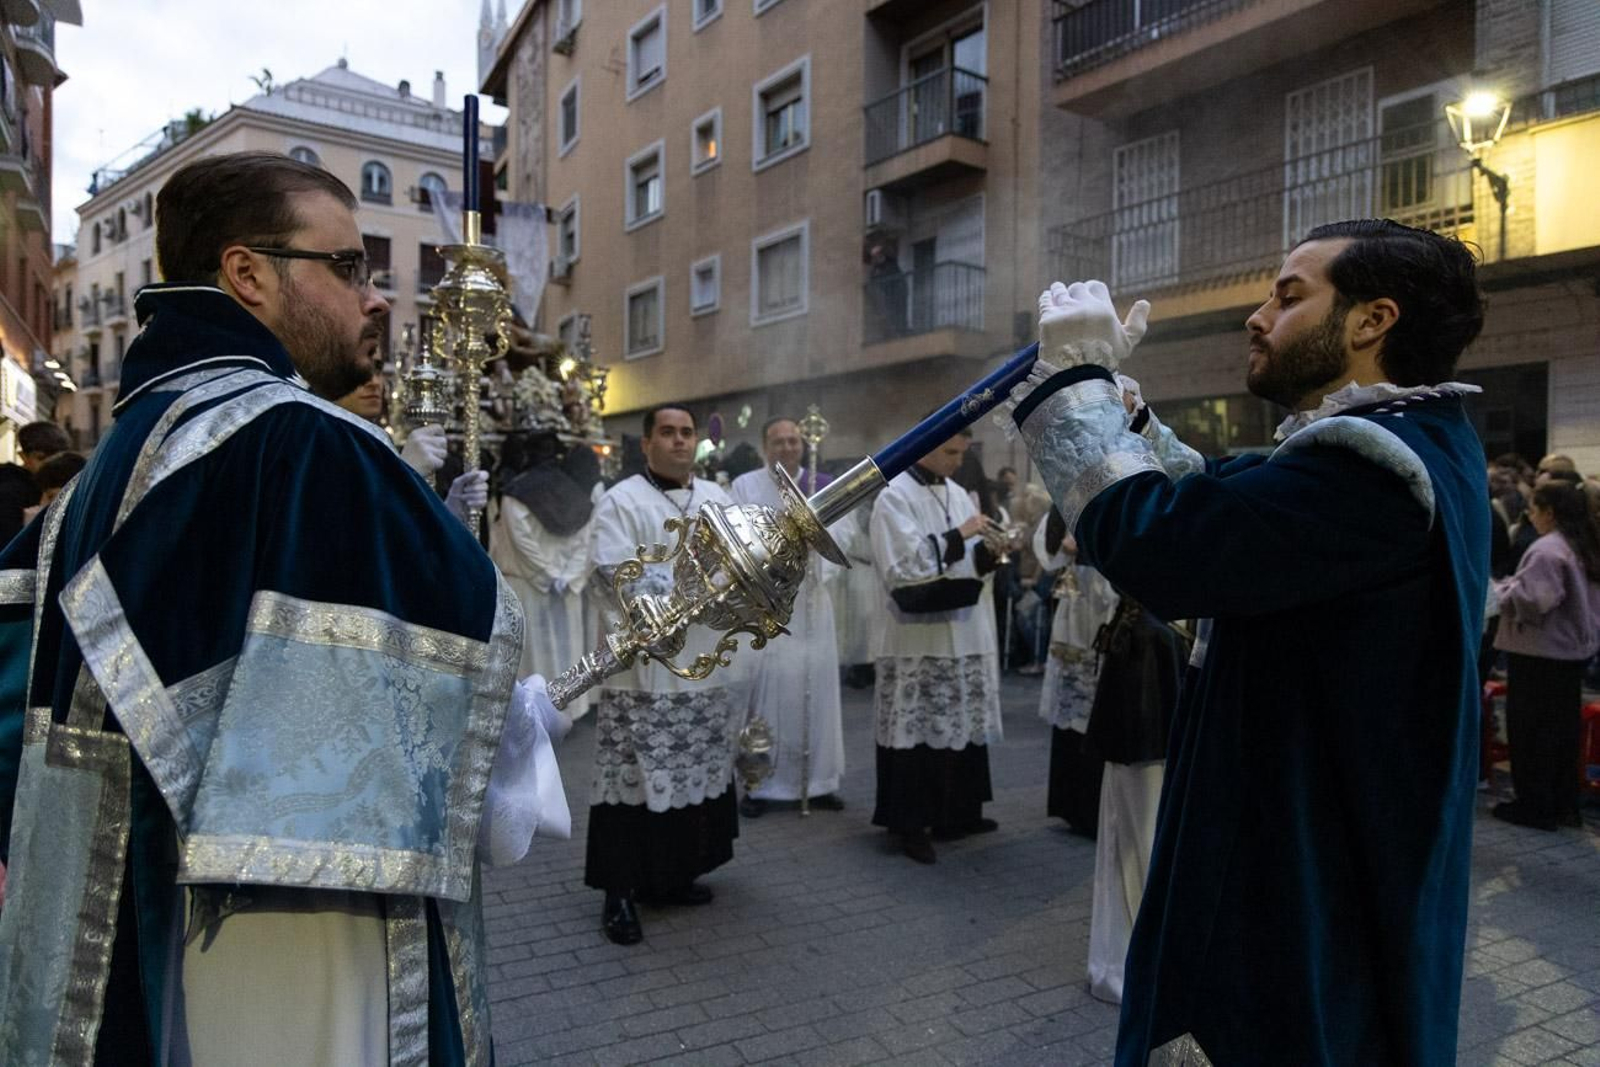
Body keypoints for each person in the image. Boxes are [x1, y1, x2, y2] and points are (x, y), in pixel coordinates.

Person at [0, 152, 570, 1065]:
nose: (375, 296)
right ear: (247, 274)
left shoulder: (112, 461)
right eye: (348, 266)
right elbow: (446, 731)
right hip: (299, 948)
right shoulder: (306, 445)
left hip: (132, 922)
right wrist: (521, 725)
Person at [1007, 219, 1490, 1065]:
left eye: (1289, 294)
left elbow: (1174, 550)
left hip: (1297, 863)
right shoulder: (1416, 444)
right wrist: (1126, 413)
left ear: (1374, 320)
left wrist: (1080, 388)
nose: (1258, 314)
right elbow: (1235, 515)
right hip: (1327, 827)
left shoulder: (1374, 467)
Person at [584, 404, 741, 946]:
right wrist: (693, 588)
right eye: (667, 433)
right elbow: (617, 575)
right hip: (645, 667)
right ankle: (621, 894)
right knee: (633, 779)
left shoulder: (720, 500)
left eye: (687, 433)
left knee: (692, 768)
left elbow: (741, 563)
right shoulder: (620, 502)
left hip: (704, 660)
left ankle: (673, 876)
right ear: (646, 443)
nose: (679, 441)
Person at [869, 426, 1003, 865]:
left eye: (963, 453)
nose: (958, 461)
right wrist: (962, 535)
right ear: (925, 448)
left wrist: (995, 550)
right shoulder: (894, 495)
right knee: (918, 732)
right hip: (916, 636)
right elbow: (904, 566)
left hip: (962, 628)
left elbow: (974, 556)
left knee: (958, 723)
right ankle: (912, 824)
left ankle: (957, 813)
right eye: (950, 452)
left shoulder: (959, 492)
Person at [730, 416, 845, 816]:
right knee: (767, 691)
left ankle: (820, 781)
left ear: (804, 445)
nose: (787, 447)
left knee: (819, 692)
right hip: (768, 605)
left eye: (793, 441)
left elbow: (841, 538)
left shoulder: (821, 482)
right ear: (765, 446)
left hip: (813, 602)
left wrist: (818, 551)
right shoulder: (745, 485)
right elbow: (739, 535)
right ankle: (759, 782)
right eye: (778, 441)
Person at [1491, 480, 1600, 830]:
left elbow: (1533, 600)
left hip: (1540, 652)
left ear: (1549, 513)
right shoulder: (1582, 544)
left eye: (1534, 510)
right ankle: (1562, 804)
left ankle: (1535, 806)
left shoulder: (1547, 550)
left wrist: (1500, 591)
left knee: (1532, 732)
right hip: (1570, 653)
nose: (1531, 516)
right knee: (1562, 733)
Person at [490, 432, 601, 719]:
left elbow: (521, 541)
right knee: (567, 654)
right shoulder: (576, 493)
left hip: (529, 586)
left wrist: (545, 575)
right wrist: (568, 576)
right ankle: (570, 710)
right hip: (566, 589)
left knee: (535, 660)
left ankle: (534, 715)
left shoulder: (515, 493)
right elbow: (586, 542)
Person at [1032, 509, 1117, 836]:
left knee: (1099, 713)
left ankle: (1095, 809)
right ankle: (1071, 806)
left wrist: (1086, 547)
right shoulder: (1067, 499)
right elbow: (1047, 553)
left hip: (1107, 606)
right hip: (1075, 607)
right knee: (1071, 718)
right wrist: (1062, 535)